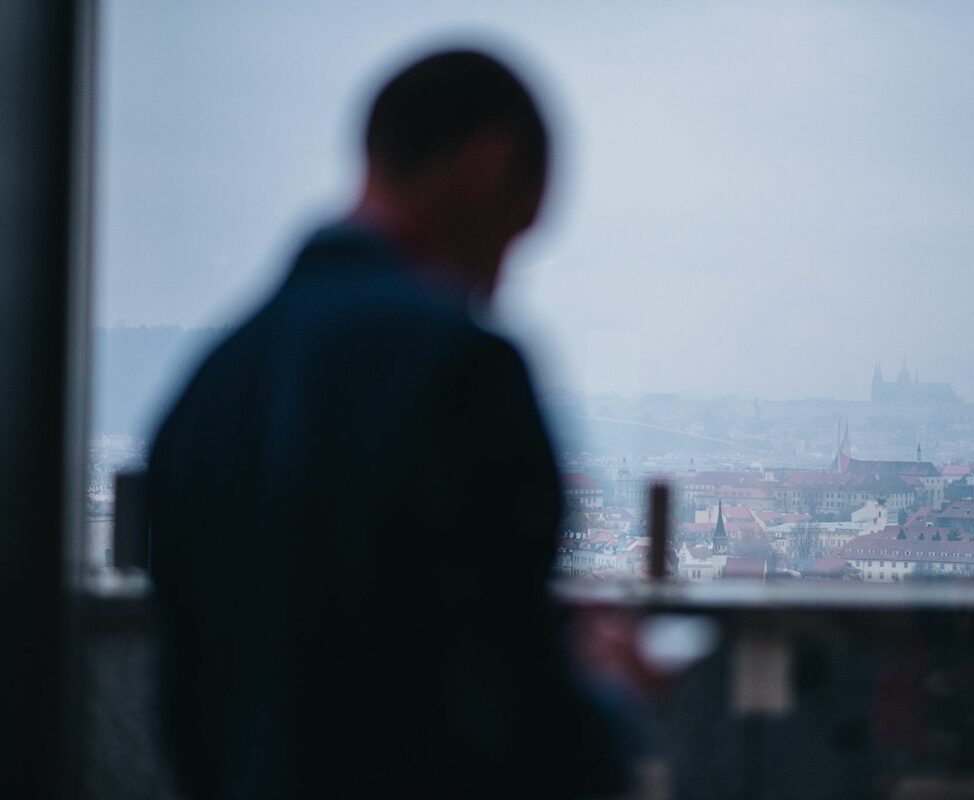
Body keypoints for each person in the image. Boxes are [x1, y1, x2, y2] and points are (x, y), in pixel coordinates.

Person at [147, 49, 629, 799]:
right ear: (488, 165)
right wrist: (612, 697)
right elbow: (522, 728)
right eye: (514, 233)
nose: (499, 280)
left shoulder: (212, 384)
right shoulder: (461, 369)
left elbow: (185, 712)